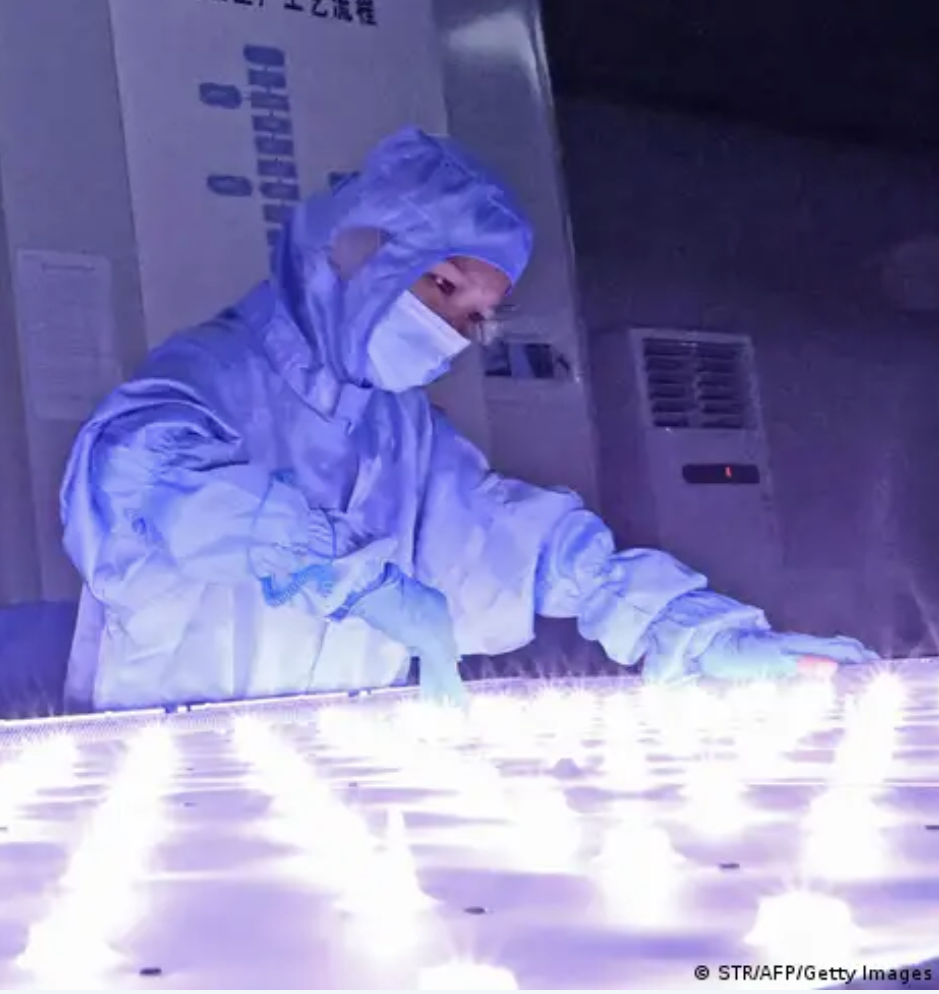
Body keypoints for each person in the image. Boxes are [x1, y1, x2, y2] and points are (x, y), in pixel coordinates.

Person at [60, 127, 876, 713]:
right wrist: (346, 573)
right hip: (172, 764)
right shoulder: (210, 376)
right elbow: (153, 478)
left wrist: (689, 627)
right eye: (443, 285)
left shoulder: (399, 434)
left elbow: (530, 549)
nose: (450, 327)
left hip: (337, 768)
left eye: (476, 314)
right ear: (354, 252)